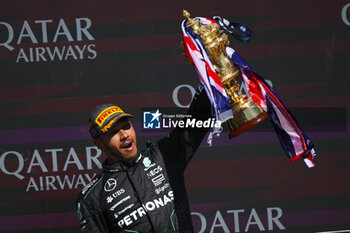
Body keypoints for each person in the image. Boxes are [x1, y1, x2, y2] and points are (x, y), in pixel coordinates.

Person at [76, 84, 212, 233]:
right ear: (99, 144)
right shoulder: (92, 197)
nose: (124, 135)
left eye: (126, 126)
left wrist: (211, 74)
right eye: (114, 132)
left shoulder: (164, 155)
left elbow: (198, 115)